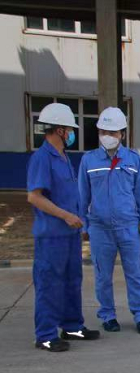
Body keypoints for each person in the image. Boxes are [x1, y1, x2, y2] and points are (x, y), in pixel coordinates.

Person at [27, 103, 100, 352]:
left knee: (72, 280)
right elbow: (34, 196)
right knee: (50, 283)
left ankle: (72, 326)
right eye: (70, 129)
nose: (71, 134)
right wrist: (66, 216)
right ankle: (46, 335)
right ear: (59, 130)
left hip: (70, 233)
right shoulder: (42, 158)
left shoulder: (63, 157)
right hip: (51, 235)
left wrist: (78, 221)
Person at [78, 107, 140, 334]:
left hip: (129, 226)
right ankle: (108, 315)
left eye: (113, 132)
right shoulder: (89, 160)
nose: (108, 136)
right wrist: (83, 225)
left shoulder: (133, 160)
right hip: (99, 228)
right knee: (102, 275)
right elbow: (82, 195)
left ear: (122, 133)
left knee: (135, 274)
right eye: (104, 131)